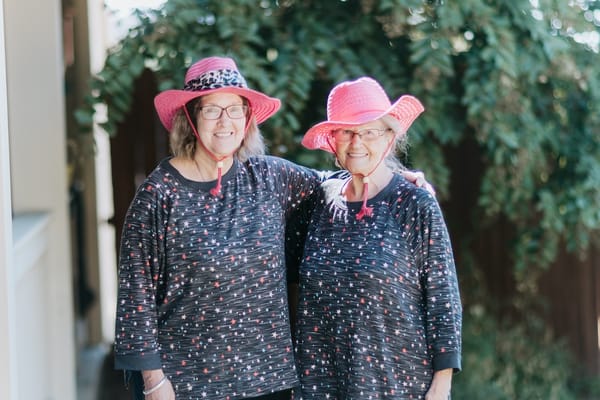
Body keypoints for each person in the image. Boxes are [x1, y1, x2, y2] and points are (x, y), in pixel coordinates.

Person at [114, 56, 433, 400]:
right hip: (188, 384)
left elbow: (333, 183)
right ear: (190, 117)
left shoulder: (268, 178)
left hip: (269, 383)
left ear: (247, 118)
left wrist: (395, 178)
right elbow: (136, 300)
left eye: (235, 109)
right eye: (212, 110)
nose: (225, 122)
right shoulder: (159, 195)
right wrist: (154, 382)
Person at [294, 77, 462, 399]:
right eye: (346, 132)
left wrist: (442, 384)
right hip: (321, 383)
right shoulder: (318, 200)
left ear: (390, 137)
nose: (357, 142)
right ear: (333, 140)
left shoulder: (414, 203)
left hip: (396, 382)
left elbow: (443, 298)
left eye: (369, 131)